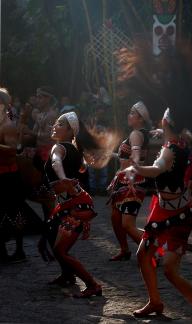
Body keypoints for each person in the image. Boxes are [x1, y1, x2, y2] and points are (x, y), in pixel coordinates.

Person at [126, 108, 192, 323]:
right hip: (162, 211)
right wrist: (159, 132)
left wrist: (136, 168)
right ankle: (155, 302)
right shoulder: (179, 141)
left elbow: (157, 168)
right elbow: (167, 139)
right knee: (143, 254)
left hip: (178, 216)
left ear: (165, 122)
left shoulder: (170, 150)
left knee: (169, 270)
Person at [41, 111, 104, 296]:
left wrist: (62, 179)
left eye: (60, 124)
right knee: (53, 238)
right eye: (56, 123)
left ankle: (93, 285)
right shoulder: (75, 150)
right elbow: (81, 167)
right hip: (71, 204)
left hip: (75, 206)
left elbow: (55, 163)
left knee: (60, 251)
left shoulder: (59, 148)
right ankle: (67, 275)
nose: (55, 125)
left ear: (70, 132)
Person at [108, 101, 151, 261]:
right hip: (124, 180)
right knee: (115, 217)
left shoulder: (136, 134)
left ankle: (152, 253)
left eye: (133, 113)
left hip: (132, 182)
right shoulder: (139, 133)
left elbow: (136, 157)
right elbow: (126, 158)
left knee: (127, 223)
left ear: (141, 119)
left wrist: (131, 180)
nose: (129, 115)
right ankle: (124, 250)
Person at [0, 87, 26, 262]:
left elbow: (13, 151)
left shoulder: (7, 126)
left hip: (8, 176)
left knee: (14, 213)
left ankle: (19, 251)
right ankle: (2, 252)